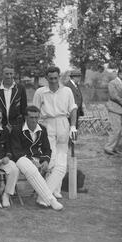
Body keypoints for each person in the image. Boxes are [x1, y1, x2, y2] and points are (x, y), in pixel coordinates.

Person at [32, 66, 78, 199]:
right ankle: (48, 191)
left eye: (55, 78)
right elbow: (34, 111)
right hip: (47, 125)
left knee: (61, 159)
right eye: (50, 78)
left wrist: (73, 127)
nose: (53, 81)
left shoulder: (67, 91)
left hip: (63, 123)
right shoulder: (40, 92)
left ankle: (56, 189)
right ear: (46, 78)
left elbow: (73, 108)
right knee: (50, 159)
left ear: (59, 77)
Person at [10, 106, 63, 211]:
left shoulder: (42, 129)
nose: (34, 120)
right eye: (31, 117)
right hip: (22, 159)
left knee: (59, 166)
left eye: (36, 117)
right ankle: (51, 199)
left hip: (38, 158)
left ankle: (42, 198)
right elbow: (15, 151)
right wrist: (32, 161)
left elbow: (47, 149)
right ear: (26, 117)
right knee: (30, 168)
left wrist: (46, 161)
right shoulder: (17, 129)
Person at [0, 64, 27, 130]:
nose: (9, 76)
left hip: (16, 126)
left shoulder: (21, 89)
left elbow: (24, 109)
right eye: (7, 74)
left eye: (11, 74)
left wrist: (23, 124)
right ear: (2, 74)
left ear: (14, 74)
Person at [104, 68, 122, 155]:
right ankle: (108, 148)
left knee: (120, 130)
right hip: (114, 109)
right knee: (116, 129)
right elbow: (113, 96)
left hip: (120, 110)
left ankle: (114, 148)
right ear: (120, 74)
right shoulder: (112, 83)